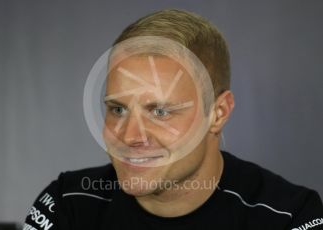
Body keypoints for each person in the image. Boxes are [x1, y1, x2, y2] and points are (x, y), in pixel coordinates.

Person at [23, 9, 323, 230]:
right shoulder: (68, 203)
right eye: (118, 109)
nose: (129, 137)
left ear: (218, 113)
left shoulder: (289, 216)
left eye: (160, 111)